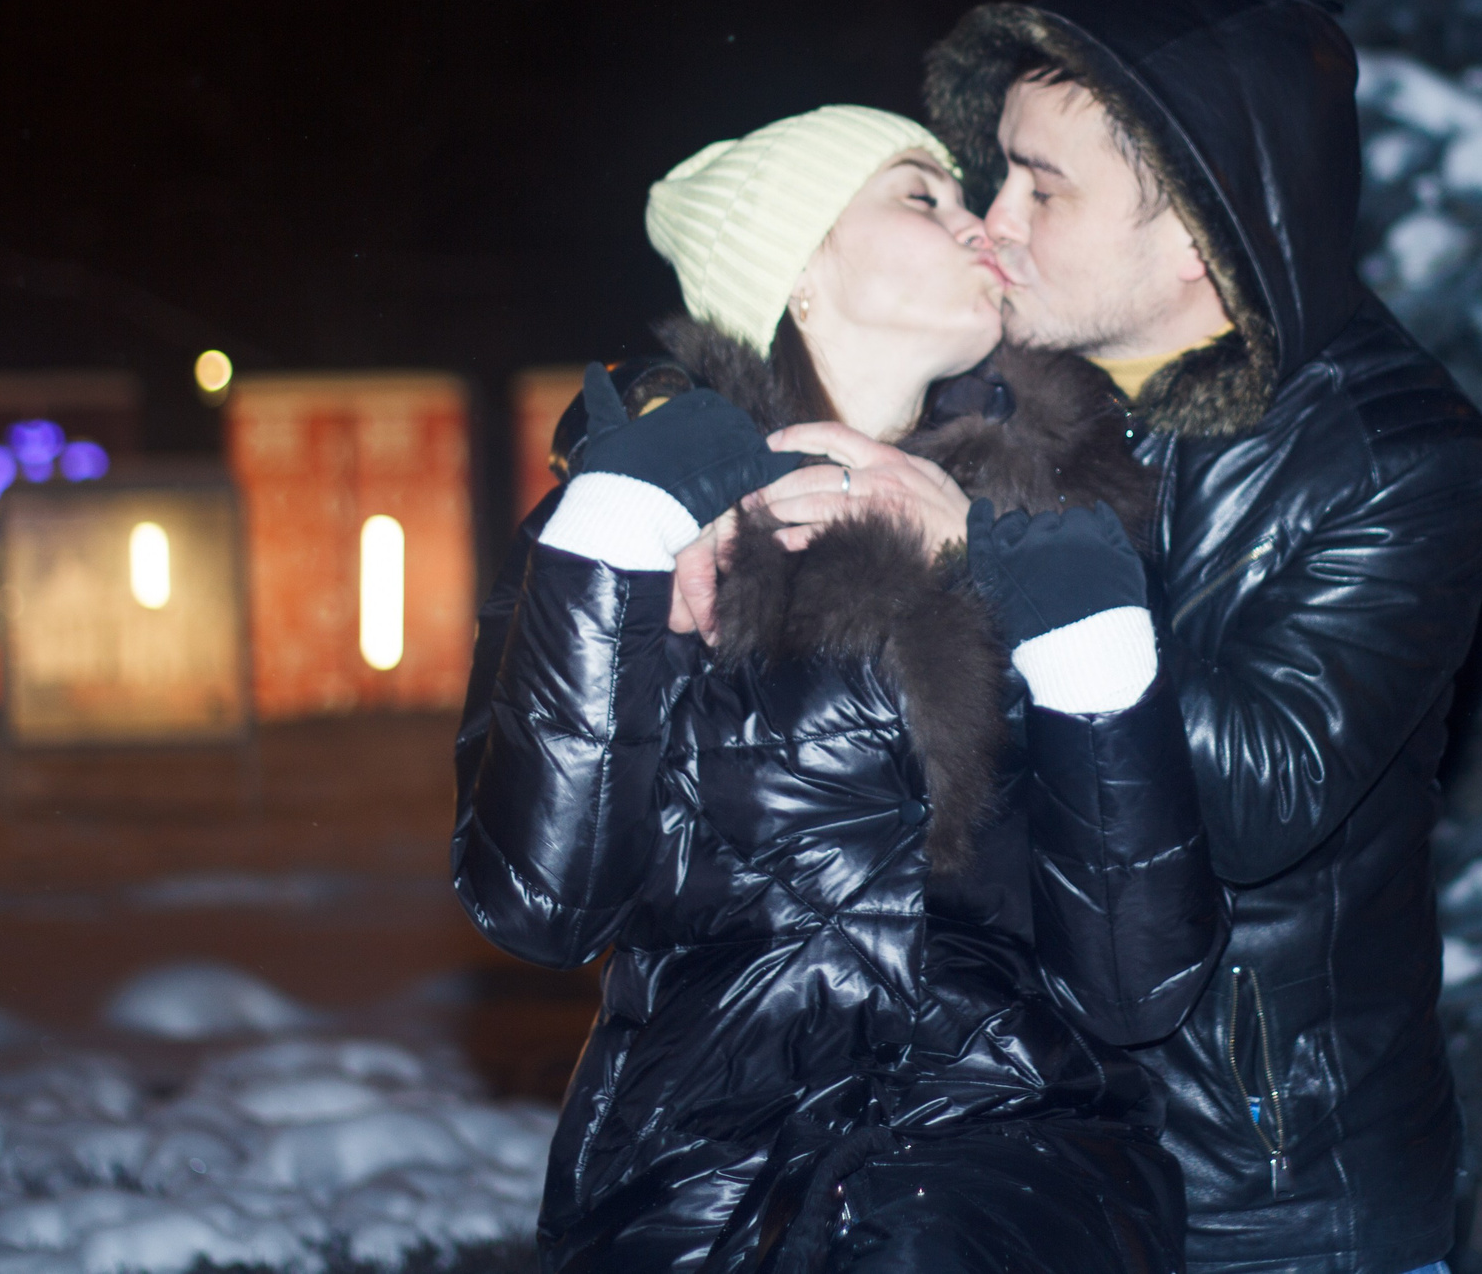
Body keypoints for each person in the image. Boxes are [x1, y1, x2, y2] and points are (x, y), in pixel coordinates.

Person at [752, 0, 1482, 1274]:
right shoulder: (1010, 381)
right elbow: (798, 341)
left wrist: (1004, 556)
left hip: (1258, 1190)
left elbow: (1267, 795)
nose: (996, 218)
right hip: (1012, 1152)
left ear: (1204, 228)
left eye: (1044, 186)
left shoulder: (1400, 456)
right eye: (996, 174)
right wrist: (677, 432)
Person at [451, 104, 1226, 1274]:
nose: (983, 226)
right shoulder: (626, 522)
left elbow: (1140, 981)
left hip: (1002, 1183)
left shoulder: (1072, 521)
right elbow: (538, 903)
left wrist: (1077, 622)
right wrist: (619, 538)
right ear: (798, 270)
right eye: (925, 196)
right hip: (691, 1193)